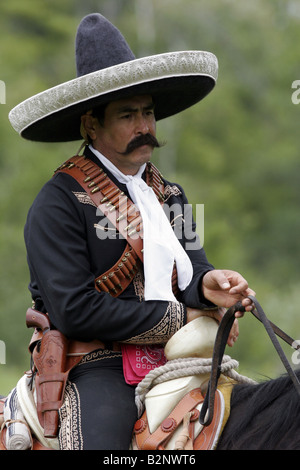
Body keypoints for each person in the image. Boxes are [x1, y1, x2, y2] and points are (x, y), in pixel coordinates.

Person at [9, 14, 255, 450]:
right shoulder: (58, 202)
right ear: (91, 124)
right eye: (127, 115)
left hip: (179, 355)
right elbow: (75, 311)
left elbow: (192, 271)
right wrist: (184, 318)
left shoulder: (168, 194)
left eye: (148, 112)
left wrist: (210, 285)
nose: (144, 126)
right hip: (95, 364)